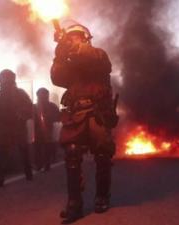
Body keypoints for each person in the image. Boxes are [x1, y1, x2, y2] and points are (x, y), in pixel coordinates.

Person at [51, 23, 119, 223]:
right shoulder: (68, 60)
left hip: (97, 112)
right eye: (69, 37)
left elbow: (93, 60)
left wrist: (71, 47)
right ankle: (74, 204)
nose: (72, 40)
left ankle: (101, 197)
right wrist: (60, 53)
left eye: (76, 37)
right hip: (76, 114)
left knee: (102, 154)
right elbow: (56, 77)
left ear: (85, 38)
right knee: (71, 154)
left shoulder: (98, 54)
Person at [0, 69, 33, 187]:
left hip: (15, 126)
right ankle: (26, 174)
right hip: (7, 126)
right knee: (6, 152)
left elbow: (29, 108)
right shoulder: (2, 94)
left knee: (11, 151)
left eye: (3, 78)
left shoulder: (16, 93)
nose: (2, 80)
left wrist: (21, 115)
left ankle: (2, 177)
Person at [33, 87, 60, 172]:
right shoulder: (34, 107)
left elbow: (58, 117)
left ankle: (45, 164)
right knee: (38, 147)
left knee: (46, 147)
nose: (43, 97)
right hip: (38, 130)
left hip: (47, 129)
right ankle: (40, 164)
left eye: (44, 95)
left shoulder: (52, 106)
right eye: (41, 96)